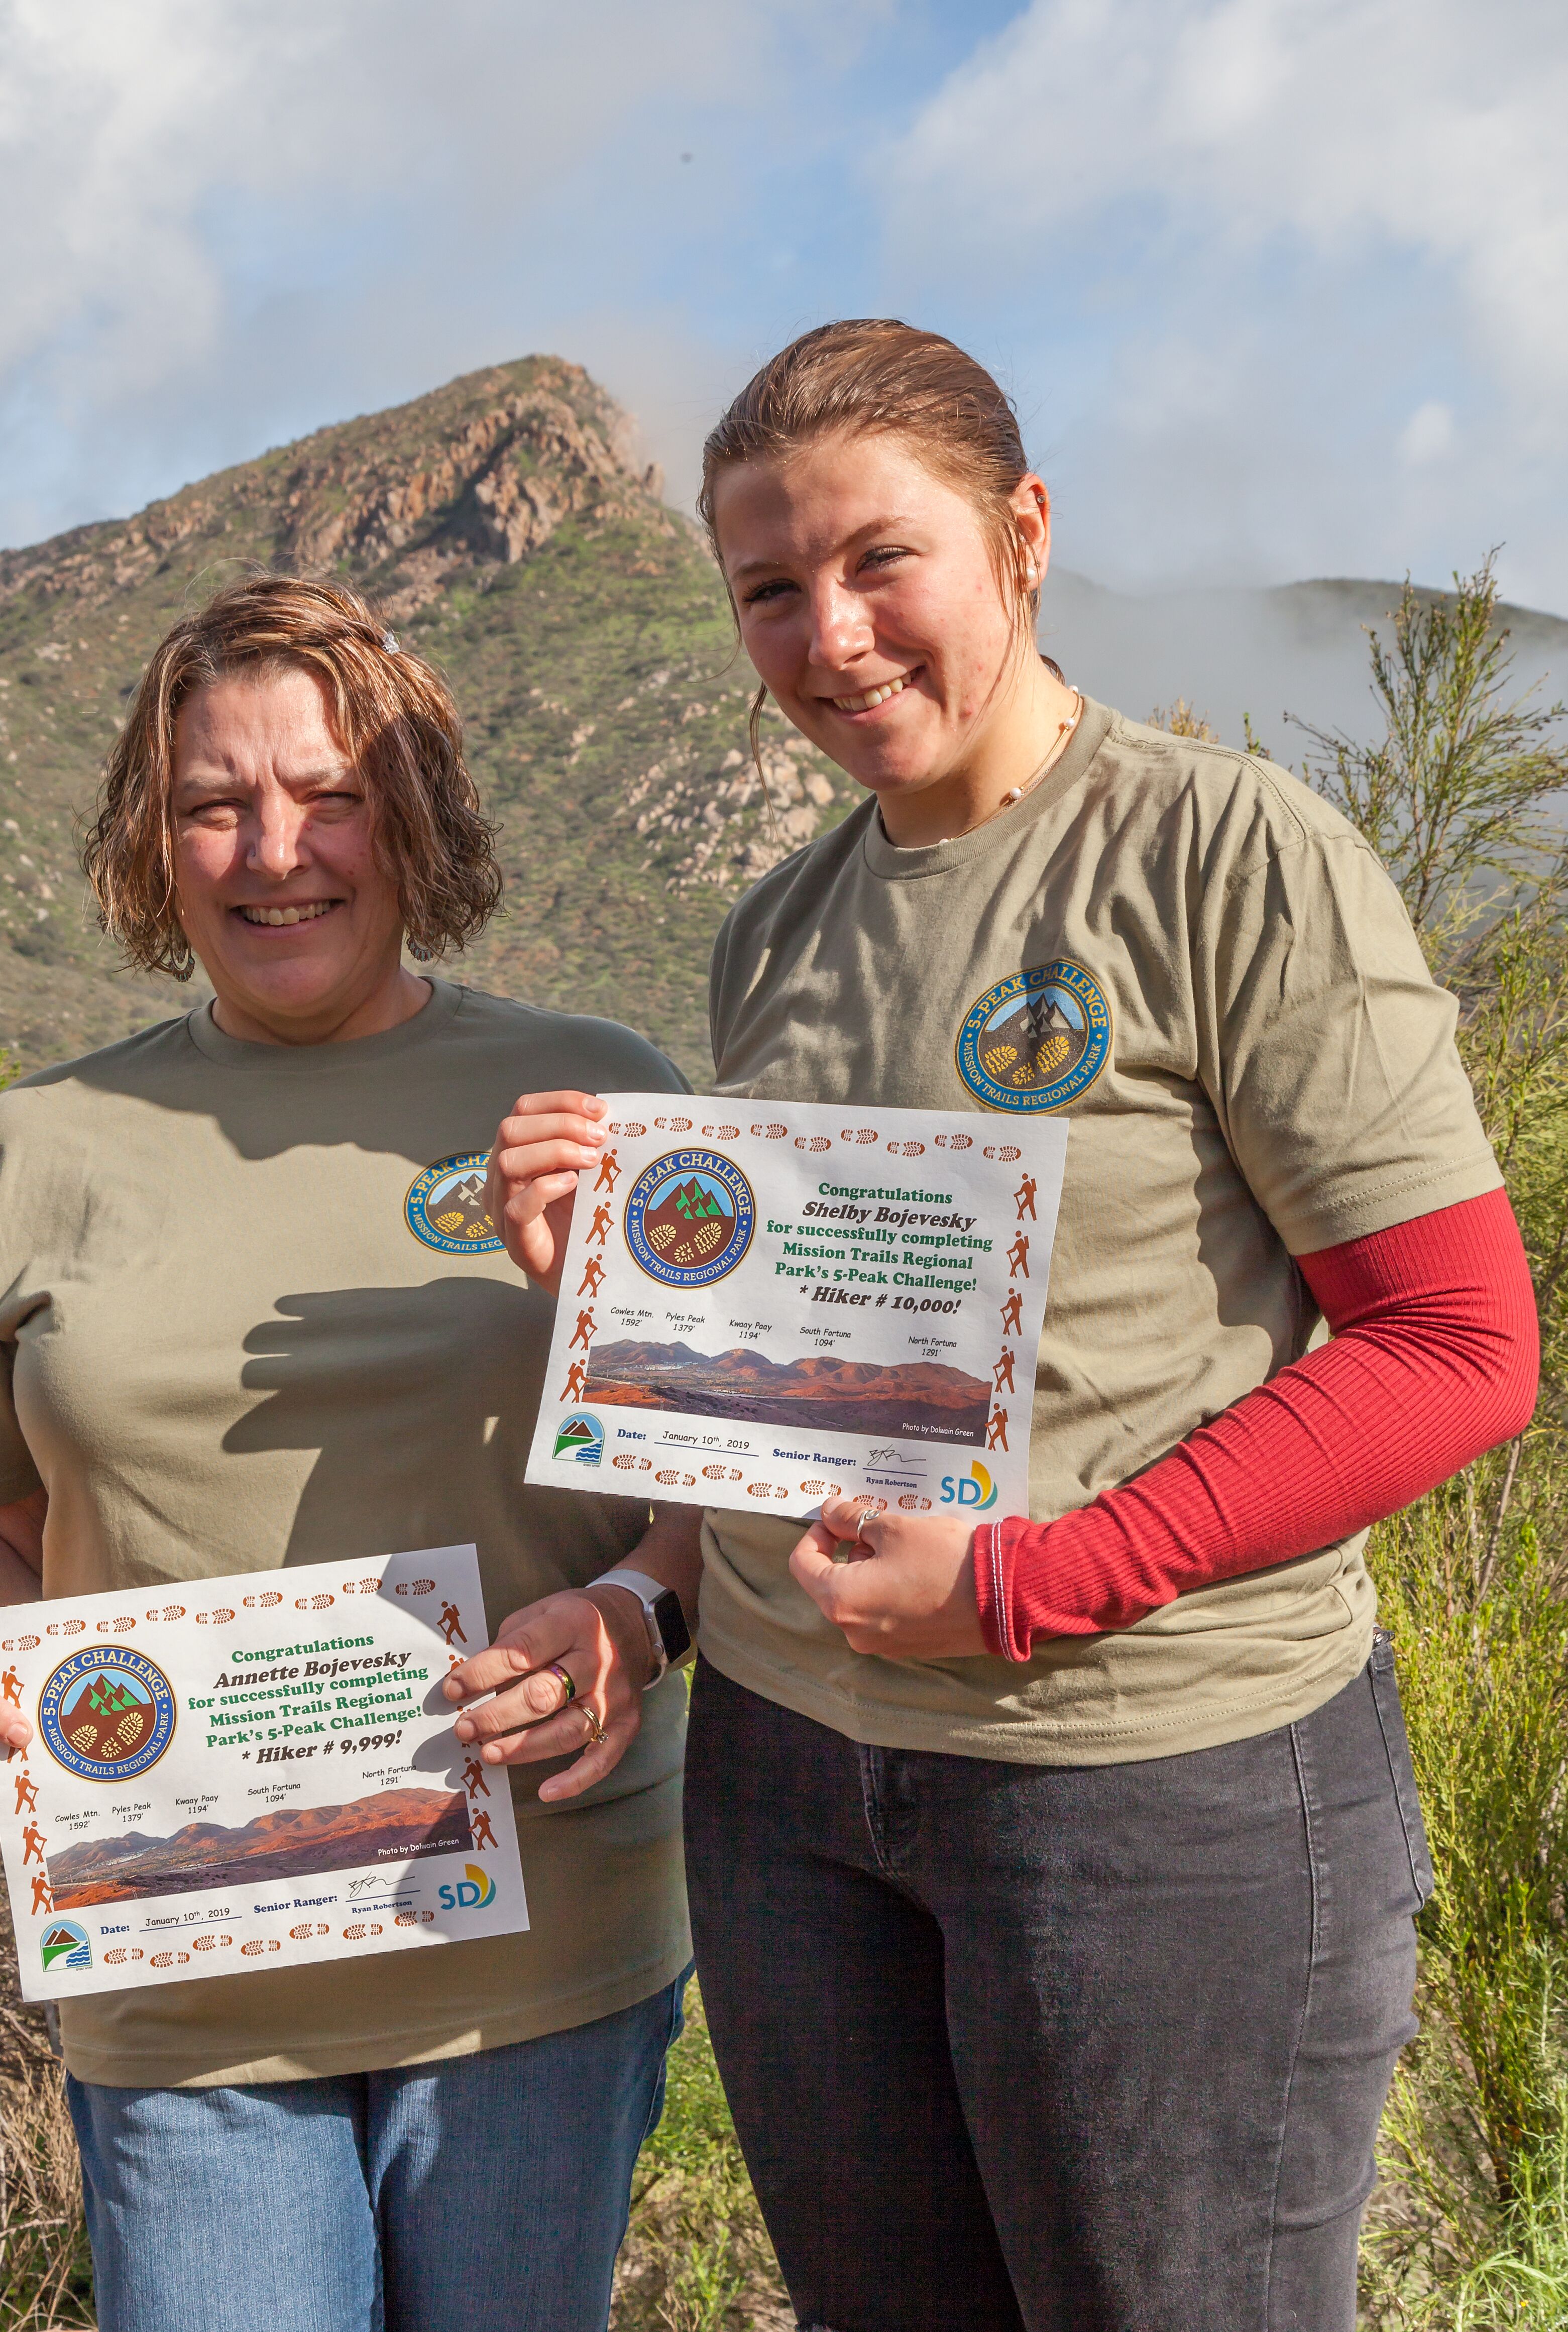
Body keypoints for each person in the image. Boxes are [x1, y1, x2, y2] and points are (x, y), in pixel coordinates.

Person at [481, 322, 1539, 2331]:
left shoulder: (1223, 858)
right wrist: (641, 1362)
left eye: (881, 561)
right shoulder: (777, 926)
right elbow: (799, 1386)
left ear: (1022, 533)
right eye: (769, 591)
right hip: (794, 1793)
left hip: (1148, 1795)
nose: (830, 637)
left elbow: (1452, 1348)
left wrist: (1049, 1576)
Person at [0, 574, 702, 2332]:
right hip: (180, 1971)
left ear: (414, 814)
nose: (271, 848)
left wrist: (634, 1611)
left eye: (325, 794)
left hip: (535, 1952)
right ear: (151, 844)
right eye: (212, 803)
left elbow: (717, 1481)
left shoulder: (590, 1090)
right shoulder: (42, 1143)